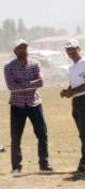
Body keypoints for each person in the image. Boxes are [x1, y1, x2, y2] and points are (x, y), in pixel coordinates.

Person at [4, 39, 53, 174]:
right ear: (15, 51)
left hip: (35, 103)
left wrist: (23, 84)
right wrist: (32, 83)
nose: (23, 50)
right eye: (20, 48)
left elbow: (41, 82)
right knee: (16, 137)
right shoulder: (8, 66)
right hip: (17, 105)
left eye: (25, 47)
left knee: (42, 134)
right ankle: (16, 167)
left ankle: (44, 164)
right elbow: (11, 86)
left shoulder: (35, 63)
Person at [59, 39, 85, 173]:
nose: (71, 52)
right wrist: (67, 91)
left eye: (73, 49)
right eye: (68, 50)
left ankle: (84, 162)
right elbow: (75, 84)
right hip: (76, 101)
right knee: (83, 133)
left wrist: (72, 91)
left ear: (79, 48)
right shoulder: (72, 67)